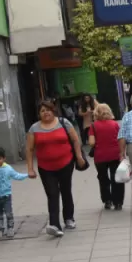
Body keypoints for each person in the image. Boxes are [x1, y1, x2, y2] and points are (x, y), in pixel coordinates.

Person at [26, 100, 87, 237]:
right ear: (39, 114)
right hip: (45, 167)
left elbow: (76, 140)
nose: (46, 112)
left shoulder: (64, 123)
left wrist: (78, 156)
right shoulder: (34, 128)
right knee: (52, 194)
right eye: (42, 111)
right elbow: (29, 149)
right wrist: (30, 168)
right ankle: (54, 224)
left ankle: (69, 218)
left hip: (66, 164)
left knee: (66, 191)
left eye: (48, 109)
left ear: (53, 111)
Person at [88, 103, 125, 210]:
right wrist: (122, 152)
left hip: (100, 157)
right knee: (116, 178)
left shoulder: (93, 126)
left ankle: (107, 201)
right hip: (114, 154)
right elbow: (121, 139)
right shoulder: (114, 124)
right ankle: (118, 202)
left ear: (96, 113)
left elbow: (91, 143)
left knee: (103, 178)